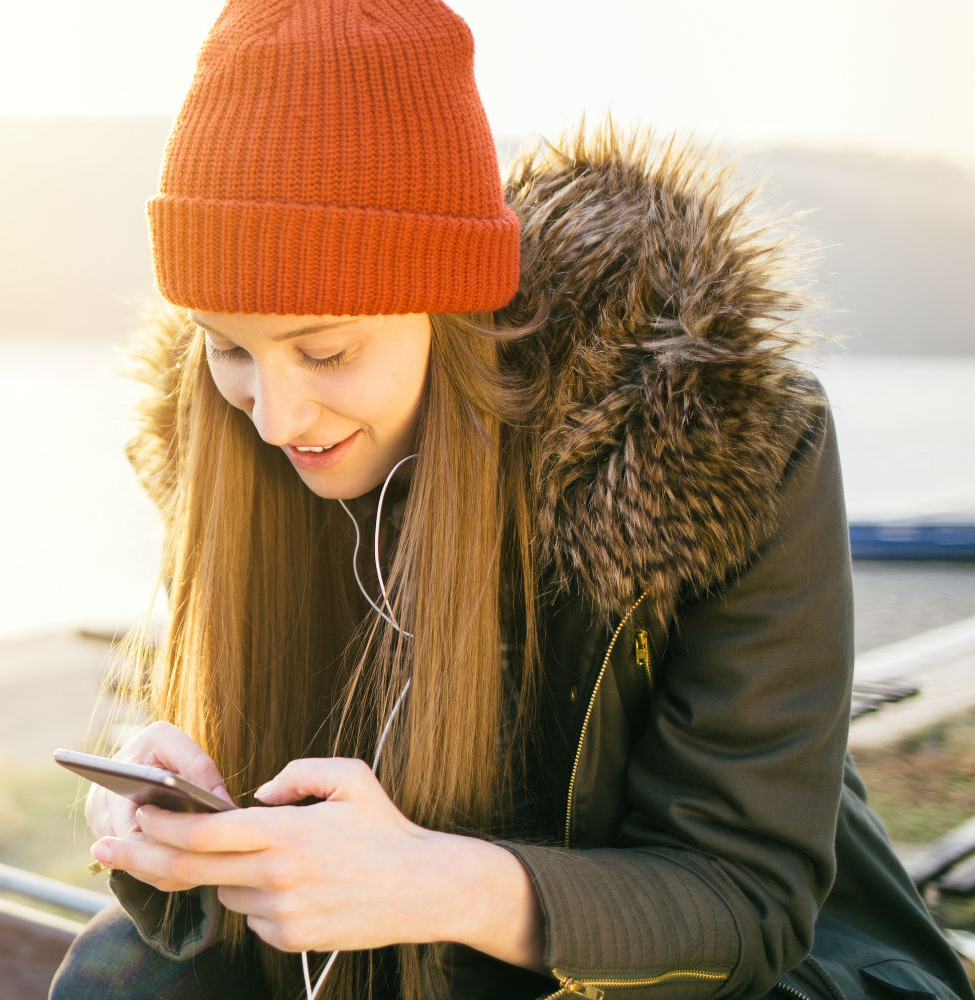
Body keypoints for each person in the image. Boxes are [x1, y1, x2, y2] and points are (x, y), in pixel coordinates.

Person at [47, 2, 975, 1000]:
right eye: (229, 347)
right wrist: (182, 828)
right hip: (421, 966)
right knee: (124, 974)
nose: (275, 415)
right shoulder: (239, 458)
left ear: (451, 306)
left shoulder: (716, 446)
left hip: (763, 976)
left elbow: (747, 903)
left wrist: (438, 883)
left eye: (326, 350)